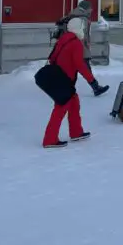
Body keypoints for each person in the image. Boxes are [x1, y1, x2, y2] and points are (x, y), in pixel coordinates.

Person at [42, 17, 91, 148]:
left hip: (59, 78)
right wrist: (91, 80)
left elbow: (52, 58)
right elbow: (79, 64)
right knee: (60, 109)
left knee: (74, 103)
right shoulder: (75, 43)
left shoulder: (63, 39)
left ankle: (76, 132)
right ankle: (50, 139)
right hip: (66, 81)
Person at [56, 0, 109, 97]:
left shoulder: (74, 16)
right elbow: (80, 35)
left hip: (73, 47)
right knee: (84, 68)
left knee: (76, 69)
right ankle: (95, 87)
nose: (92, 10)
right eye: (90, 8)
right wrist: (84, 46)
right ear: (86, 8)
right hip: (79, 47)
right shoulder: (81, 18)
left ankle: (69, 89)